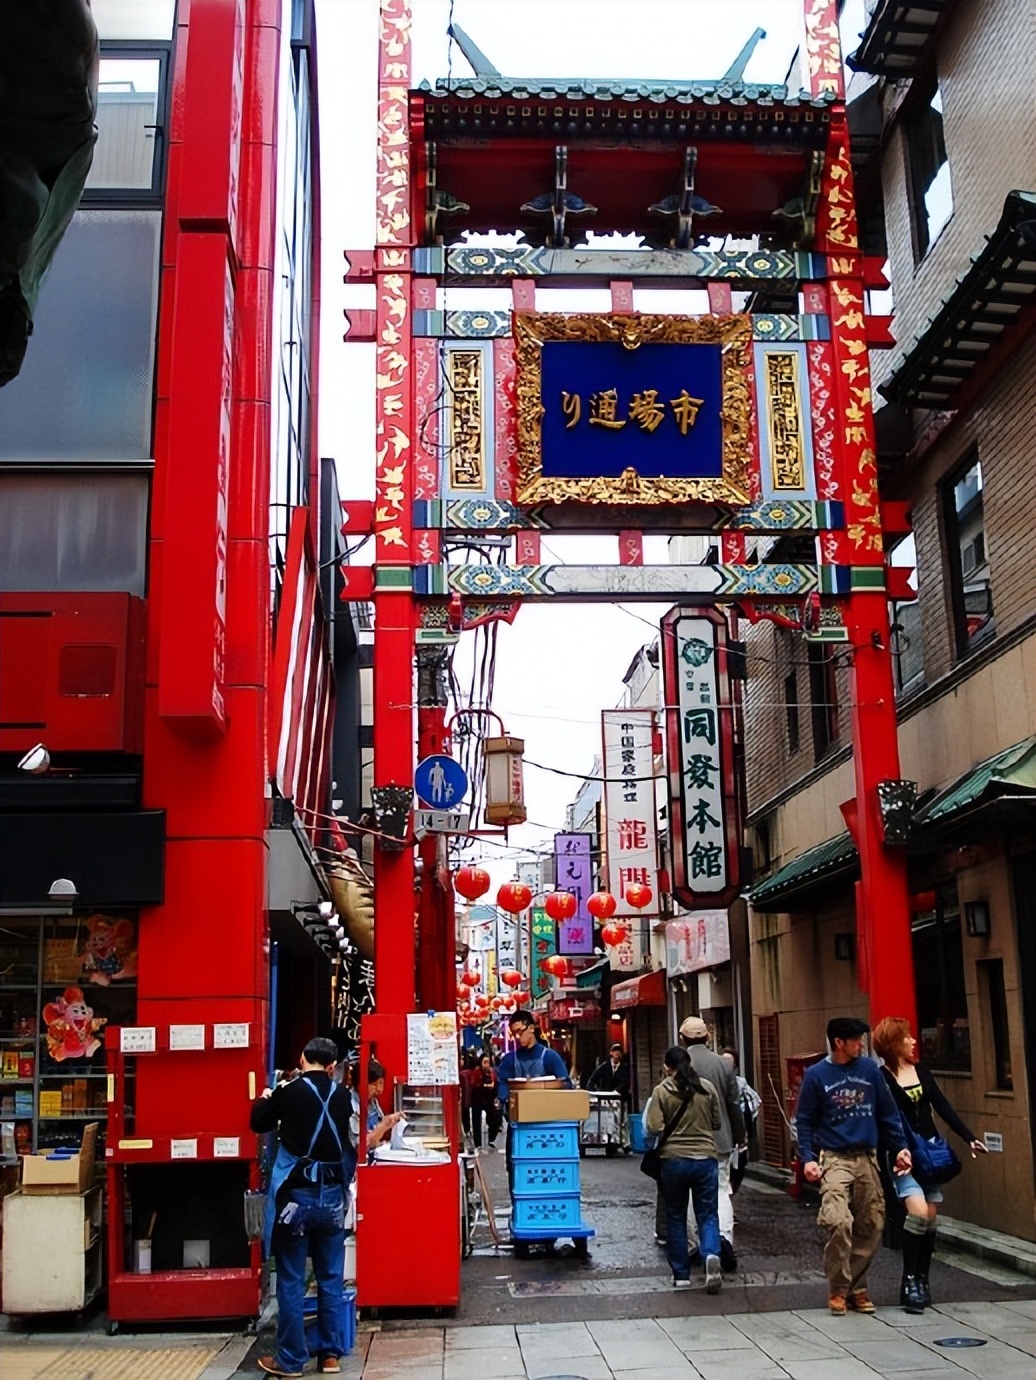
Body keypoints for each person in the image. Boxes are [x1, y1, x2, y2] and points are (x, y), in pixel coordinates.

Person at [250, 1037, 356, 1378]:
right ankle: (330, 1356)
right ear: (331, 1065)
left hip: (294, 1201)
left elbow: (259, 1122)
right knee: (329, 1277)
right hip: (331, 1200)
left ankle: (292, 1360)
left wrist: (267, 1096)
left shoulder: (289, 1090)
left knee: (293, 1279)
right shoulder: (342, 1096)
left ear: (302, 1057)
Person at [795, 1016, 911, 1316]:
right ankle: (839, 1288)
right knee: (838, 1221)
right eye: (856, 1040)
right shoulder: (816, 1076)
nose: (861, 1044)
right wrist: (807, 1157)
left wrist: (899, 1147)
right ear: (839, 1043)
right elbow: (804, 1120)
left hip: (867, 1157)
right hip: (834, 1157)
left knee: (872, 1224)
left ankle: (854, 1286)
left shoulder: (870, 1070)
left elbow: (888, 1113)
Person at [872, 1015, 987, 1312]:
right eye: (907, 1037)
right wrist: (895, 1150)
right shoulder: (882, 1079)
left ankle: (921, 1279)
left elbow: (942, 1106)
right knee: (919, 1212)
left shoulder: (921, 1071)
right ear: (894, 1044)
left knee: (931, 1216)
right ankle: (909, 1279)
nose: (913, 1041)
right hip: (902, 1158)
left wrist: (969, 1137)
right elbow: (882, 1122)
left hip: (929, 1155)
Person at [644, 1045, 723, 1293]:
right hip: (705, 1159)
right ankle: (710, 1254)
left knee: (676, 1216)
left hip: (674, 1160)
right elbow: (717, 1122)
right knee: (707, 1214)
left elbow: (654, 1126)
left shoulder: (662, 1090)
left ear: (667, 1067)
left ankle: (681, 1274)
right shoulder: (707, 1088)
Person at [674, 1016, 746, 1270]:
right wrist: (740, 1135)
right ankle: (724, 1240)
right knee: (721, 1190)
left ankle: (696, 1247)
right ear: (707, 1038)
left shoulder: (679, 1065)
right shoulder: (723, 1065)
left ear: (682, 1039)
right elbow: (733, 1104)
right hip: (720, 1139)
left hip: (686, 1139)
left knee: (692, 1193)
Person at [496, 1009, 572, 1189]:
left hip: (547, 1129)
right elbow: (502, 1088)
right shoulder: (508, 1060)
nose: (517, 1037)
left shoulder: (550, 1057)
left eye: (520, 1031)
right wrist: (507, 1102)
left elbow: (566, 1084)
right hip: (518, 1129)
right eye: (514, 1033)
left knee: (547, 1173)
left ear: (532, 1028)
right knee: (517, 1175)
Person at [721, 1047, 762, 1193]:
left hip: (738, 1139)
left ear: (736, 1067)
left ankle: (729, 1204)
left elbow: (755, 1103)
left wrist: (745, 1127)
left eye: (730, 1065)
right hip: (720, 1138)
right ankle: (726, 1207)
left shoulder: (741, 1084)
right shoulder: (714, 1084)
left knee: (737, 1173)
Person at [365, 1057, 404, 1152]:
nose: (378, 1089)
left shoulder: (373, 1101)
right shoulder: (351, 1105)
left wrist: (391, 1121)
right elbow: (361, 1146)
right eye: (374, 1084)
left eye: (381, 1084)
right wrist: (384, 1125)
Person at [466, 1053, 501, 1150]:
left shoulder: (493, 1072)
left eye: (488, 1062)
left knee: (494, 1119)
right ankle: (478, 1143)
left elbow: (497, 1083)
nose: (487, 1065)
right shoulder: (477, 1072)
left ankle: (491, 1139)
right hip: (478, 1098)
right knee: (476, 1121)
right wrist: (483, 1086)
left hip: (490, 1098)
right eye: (485, 1062)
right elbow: (473, 1084)